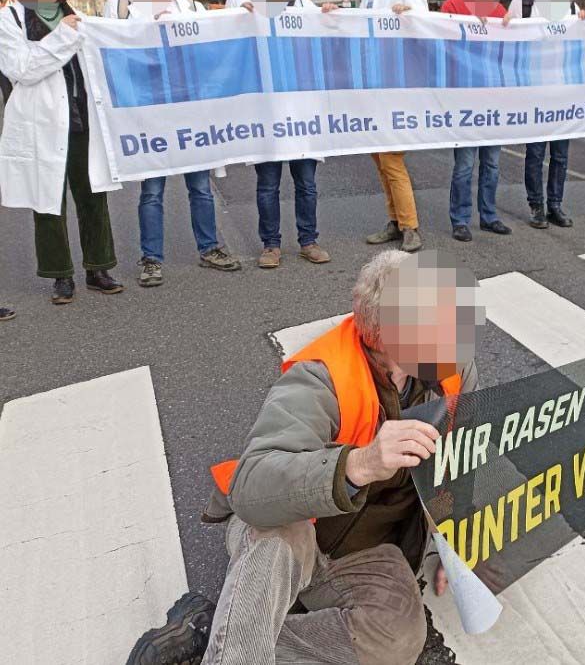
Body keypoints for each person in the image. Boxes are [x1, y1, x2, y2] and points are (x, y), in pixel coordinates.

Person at [127, 250, 482, 665]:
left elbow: (462, 460)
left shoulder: (453, 369)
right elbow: (252, 483)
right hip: (302, 532)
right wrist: (359, 463)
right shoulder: (320, 376)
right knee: (279, 533)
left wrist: (456, 548)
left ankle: (211, 631)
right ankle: (233, 651)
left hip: (369, 551)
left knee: (397, 639)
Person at [108, 0, 241, 287]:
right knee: (151, 191)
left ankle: (209, 247)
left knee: (200, 185)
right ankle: (151, 258)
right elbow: (110, 48)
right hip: (149, 115)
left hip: (189, 114)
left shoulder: (192, 7)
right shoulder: (120, 8)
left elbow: (217, 42)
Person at [0, 0, 123, 305]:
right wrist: (65, 37)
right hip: (41, 123)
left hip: (83, 119)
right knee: (48, 200)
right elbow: (22, 68)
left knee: (92, 196)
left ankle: (98, 268)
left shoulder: (77, 15)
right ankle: (60, 276)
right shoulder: (9, 19)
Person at [227, 0, 333, 268]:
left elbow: (328, 38)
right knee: (268, 183)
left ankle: (309, 240)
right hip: (265, 112)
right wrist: (237, 19)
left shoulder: (305, 4)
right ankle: (270, 245)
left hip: (301, 111)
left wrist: (331, 16)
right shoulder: (239, 1)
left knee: (306, 182)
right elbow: (224, 42)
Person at [349, 0, 427, 253]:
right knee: (381, 162)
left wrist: (408, 13)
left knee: (392, 161)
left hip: (396, 89)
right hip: (373, 90)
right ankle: (395, 221)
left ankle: (410, 228)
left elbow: (426, 25)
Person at [506, 0, 585, 230]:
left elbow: (583, 42)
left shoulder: (573, 7)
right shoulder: (522, 3)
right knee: (536, 153)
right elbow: (503, 40)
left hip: (563, 94)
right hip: (535, 93)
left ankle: (555, 205)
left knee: (561, 155)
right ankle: (536, 205)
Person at [440, 0, 512, 242]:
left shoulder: (498, 8)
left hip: (492, 100)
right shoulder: (452, 6)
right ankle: (460, 218)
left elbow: (511, 49)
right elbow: (442, 43)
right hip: (465, 100)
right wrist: (468, 27)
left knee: (492, 163)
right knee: (465, 165)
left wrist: (512, 26)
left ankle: (489, 215)